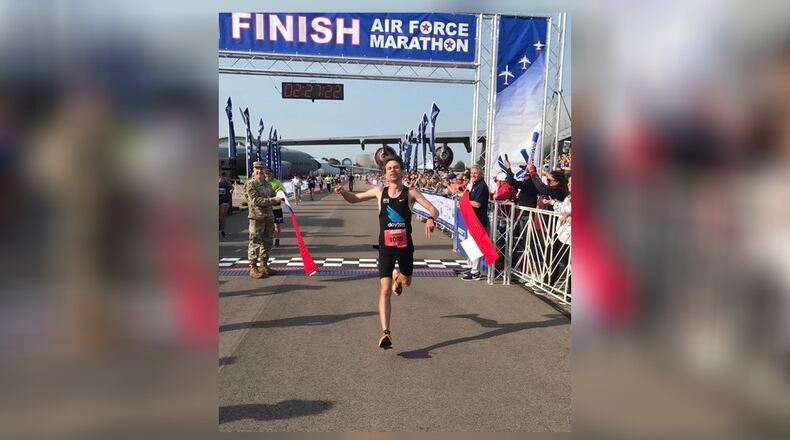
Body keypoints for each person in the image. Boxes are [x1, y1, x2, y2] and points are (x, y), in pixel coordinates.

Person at [334, 155, 439, 349]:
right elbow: (354, 199)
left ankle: (399, 278)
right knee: (384, 290)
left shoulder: (410, 193)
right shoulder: (378, 191)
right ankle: (385, 332)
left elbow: (433, 209)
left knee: (406, 282)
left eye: (396, 167)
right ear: (385, 172)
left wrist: (431, 219)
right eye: (389, 168)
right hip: (386, 249)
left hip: (405, 248)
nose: (392, 170)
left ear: (402, 171)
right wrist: (342, 193)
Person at [244, 162, 282, 278]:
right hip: (257, 218)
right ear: (253, 170)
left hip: (268, 217)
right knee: (255, 242)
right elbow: (256, 200)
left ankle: (264, 265)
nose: (259, 171)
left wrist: (279, 193)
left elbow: (273, 194)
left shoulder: (267, 184)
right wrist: (273, 200)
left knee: (267, 241)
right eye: (257, 168)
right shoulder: (250, 184)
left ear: (265, 170)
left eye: (261, 168)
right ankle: (253, 268)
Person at [463, 165, 490, 281]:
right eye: (472, 173)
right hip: (472, 220)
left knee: (476, 247)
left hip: (478, 221)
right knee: (471, 246)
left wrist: (464, 200)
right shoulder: (474, 185)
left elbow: (477, 204)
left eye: (475, 173)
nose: (473, 175)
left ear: (481, 174)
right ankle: (473, 268)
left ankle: (475, 272)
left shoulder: (482, 186)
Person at [264, 170, 285, 247]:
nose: (267, 175)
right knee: (268, 225)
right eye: (266, 174)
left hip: (276, 208)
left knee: (277, 225)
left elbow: (284, 194)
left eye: (269, 174)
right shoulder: (262, 183)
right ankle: (269, 241)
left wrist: (279, 192)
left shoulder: (277, 182)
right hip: (267, 208)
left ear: (272, 174)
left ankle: (277, 239)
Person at [218, 169, 233, 238]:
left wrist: (231, 191)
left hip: (225, 200)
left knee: (222, 216)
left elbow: (232, 187)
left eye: (219, 170)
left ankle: (223, 230)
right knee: (218, 215)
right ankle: (220, 224)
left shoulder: (225, 179)